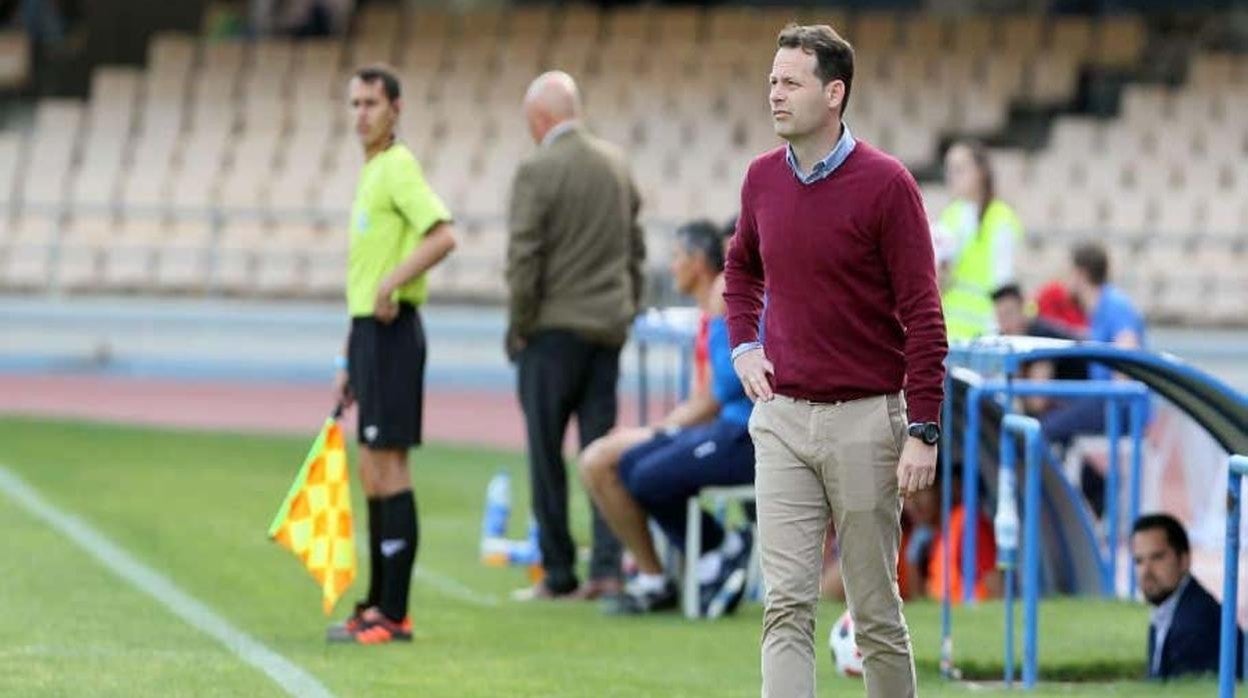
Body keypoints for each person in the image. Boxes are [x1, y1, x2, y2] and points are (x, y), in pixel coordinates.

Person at [724, 24, 948, 698]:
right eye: (772, 81)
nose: (775, 94)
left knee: (875, 613)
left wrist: (924, 428)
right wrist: (744, 344)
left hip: (867, 422)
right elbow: (740, 269)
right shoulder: (761, 178)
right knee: (785, 604)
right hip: (783, 419)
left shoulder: (887, 186)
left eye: (790, 82)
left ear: (834, 92)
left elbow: (925, 316)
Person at [327, 65, 458, 644]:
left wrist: (391, 286)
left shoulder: (399, 167)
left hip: (394, 332)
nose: (361, 114)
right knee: (371, 469)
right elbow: (363, 274)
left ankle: (395, 613)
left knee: (390, 466)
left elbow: (443, 234)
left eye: (371, 103)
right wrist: (346, 358)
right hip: (368, 336)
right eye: (354, 103)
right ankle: (376, 604)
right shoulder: (372, 171)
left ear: (395, 108)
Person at [506, 71, 646, 601]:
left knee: (546, 454)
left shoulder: (537, 170)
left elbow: (524, 259)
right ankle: (607, 568)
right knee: (600, 451)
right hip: (606, 331)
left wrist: (519, 326)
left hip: (551, 331)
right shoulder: (616, 164)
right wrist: (625, 307)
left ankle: (559, 571)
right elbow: (635, 248)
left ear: (541, 119)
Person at [580, 220, 754, 617]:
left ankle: (714, 550)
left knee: (636, 470)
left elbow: (720, 391)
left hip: (745, 433)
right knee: (629, 463)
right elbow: (713, 391)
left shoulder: (732, 299)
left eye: (677, 257)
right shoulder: (723, 304)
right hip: (727, 427)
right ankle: (684, 564)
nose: (671, 266)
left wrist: (659, 430)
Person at [1040, 243, 1148, 447]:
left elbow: (1127, 354)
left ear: (1081, 274)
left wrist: (1111, 406)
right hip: (1105, 400)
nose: (1063, 281)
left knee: (1045, 430)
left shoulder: (1115, 304)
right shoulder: (1096, 311)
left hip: (1118, 407)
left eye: (1068, 273)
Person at [1130, 513, 1242, 680]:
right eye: (1139, 561)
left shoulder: (1195, 624)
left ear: (1184, 560)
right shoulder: (1169, 608)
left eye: (1157, 557)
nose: (1146, 571)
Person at [933, 140, 1024, 341]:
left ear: (981, 172)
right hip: (950, 334)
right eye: (948, 169)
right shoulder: (950, 216)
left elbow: (1005, 285)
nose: (951, 176)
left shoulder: (1000, 217)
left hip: (987, 335)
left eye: (959, 169)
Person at [992, 283, 1089, 416]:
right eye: (1000, 317)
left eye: (1009, 314)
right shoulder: (1008, 341)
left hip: (1084, 398)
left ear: (1022, 310)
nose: (1006, 324)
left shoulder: (1041, 337)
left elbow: (1037, 401)